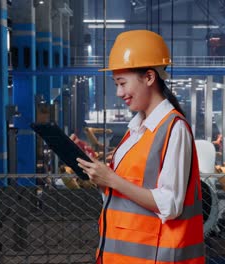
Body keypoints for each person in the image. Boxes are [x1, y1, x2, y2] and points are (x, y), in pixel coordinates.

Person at [76, 30, 205, 264]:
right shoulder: (136, 129)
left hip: (155, 257)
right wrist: (94, 168)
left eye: (122, 83)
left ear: (149, 77)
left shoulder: (173, 129)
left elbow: (170, 205)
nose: (119, 93)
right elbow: (121, 194)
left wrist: (112, 179)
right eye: (116, 84)